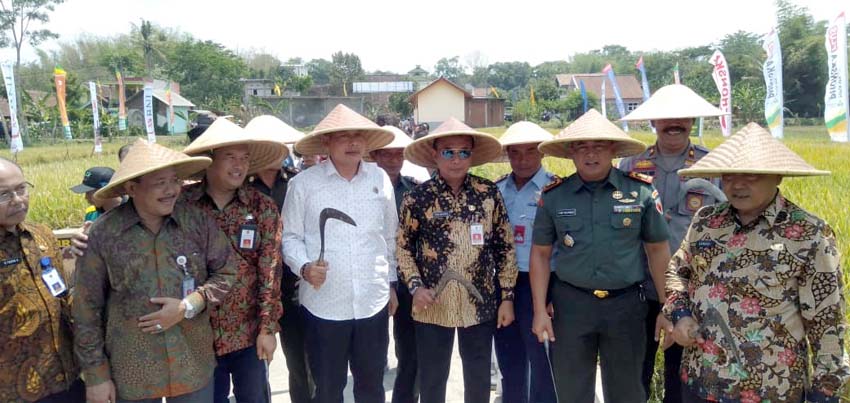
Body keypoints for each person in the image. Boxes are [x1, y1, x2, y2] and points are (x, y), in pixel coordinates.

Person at [663, 122, 849, 402]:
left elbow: (827, 322)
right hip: (701, 380)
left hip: (770, 389)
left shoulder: (809, 234)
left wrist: (826, 392)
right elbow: (678, 272)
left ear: (777, 176)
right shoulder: (705, 221)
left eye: (751, 175)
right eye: (729, 175)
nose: (737, 184)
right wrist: (681, 316)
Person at [73, 139, 237, 403]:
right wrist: (96, 375)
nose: (171, 190)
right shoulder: (104, 233)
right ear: (132, 187)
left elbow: (226, 272)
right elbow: (85, 308)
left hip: (191, 364)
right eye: (160, 183)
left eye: (174, 180)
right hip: (132, 372)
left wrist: (189, 305)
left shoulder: (196, 222)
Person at [530, 109, 671, 403]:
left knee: (627, 391)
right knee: (572, 390)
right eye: (582, 147)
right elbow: (541, 254)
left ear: (613, 150)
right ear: (571, 153)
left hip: (626, 306)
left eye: (599, 146)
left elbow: (657, 250)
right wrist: (540, 311)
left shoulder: (640, 192)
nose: (590, 154)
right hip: (571, 306)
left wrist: (667, 306)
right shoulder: (555, 195)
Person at [281, 104, 398, 403]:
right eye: (343, 136)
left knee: (371, 387)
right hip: (323, 305)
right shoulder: (304, 184)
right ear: (326, 143)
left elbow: (388, 237)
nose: (353, 142)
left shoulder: (379, 179)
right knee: (328, 388)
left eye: (358, 136)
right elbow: (290, 238)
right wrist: (305, 267)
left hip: (372, 301)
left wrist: (392, 284)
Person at [398, 117, 517, 403]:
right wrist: (416, 287)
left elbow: (504, 247)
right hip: (432, 303)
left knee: (477, 378)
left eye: (464, 152)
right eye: (448, 151)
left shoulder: (488, 194)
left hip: (479, 301)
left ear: (471, 156)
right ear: (435, 155)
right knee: (432, 378)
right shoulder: (418, 197)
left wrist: (507, 297)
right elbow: (403, 248)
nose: (456, 159)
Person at [619, 83, 725, 402]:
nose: (674, 123)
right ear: (653, 122)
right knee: (635, 369)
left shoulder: (712, 164)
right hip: (640, 285)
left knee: (683, 374)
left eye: (682, 117)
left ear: (693, 120)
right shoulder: (631, 164)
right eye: (666, 118)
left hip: (692, 289)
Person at [182, 117, 289, 403]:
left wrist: (268, 328)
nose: (238, 165)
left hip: (248, 332)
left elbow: (270, 271)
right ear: (209, 161)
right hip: (197, 333)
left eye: (244, 158)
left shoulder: (261, 206)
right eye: (230, 157)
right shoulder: (183, 205)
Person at [0, 157, 84, 402]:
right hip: (12, 389)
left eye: (21, 189)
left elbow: (62, 296)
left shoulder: (42, 235)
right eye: (4, 195)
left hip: (65, 377)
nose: (18, 200)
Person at [245, 115, 315, 403]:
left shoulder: (299, 184)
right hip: (254, 289)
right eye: (267, 145)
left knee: (302, 361)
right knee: (256, 365)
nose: (276, 151)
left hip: (294, 285)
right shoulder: (243, 190)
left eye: (280, 145)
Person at [493, 121, 557, 403]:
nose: (522, 159)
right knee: (509, 359)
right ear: (507, 154)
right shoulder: (495, 191)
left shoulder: (556, 189)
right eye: (515, 153)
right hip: (504, 284)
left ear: (542, 153)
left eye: (530, 151)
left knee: (544, 360)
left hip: (543, 283)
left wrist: (558, 294)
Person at [366, 125, 423, 403]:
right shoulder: (363, 189)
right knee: (372, 350)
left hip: (408, 278)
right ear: (374, 155)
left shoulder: (414, 189)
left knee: (409, 348)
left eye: (398, 154)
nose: (392, 159)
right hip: (373, 276)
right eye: (386, 154)